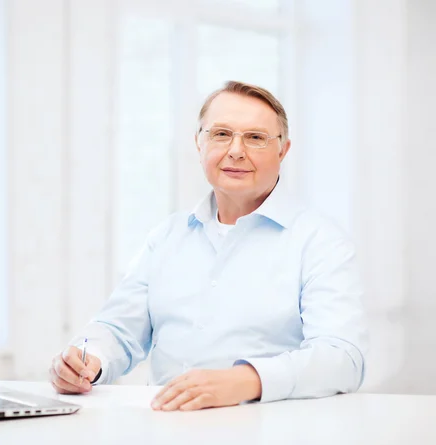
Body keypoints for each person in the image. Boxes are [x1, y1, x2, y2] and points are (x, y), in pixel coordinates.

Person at [49, 80, 368, 411]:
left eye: (256, 138)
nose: (235, 151)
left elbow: (342, 358)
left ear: (283, 150)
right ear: (199, 143)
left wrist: (246, 380)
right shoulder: (167, 236)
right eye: (220, 134)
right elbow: (117, 330)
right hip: (166, 428)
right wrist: (84, 360)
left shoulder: (319, 241)